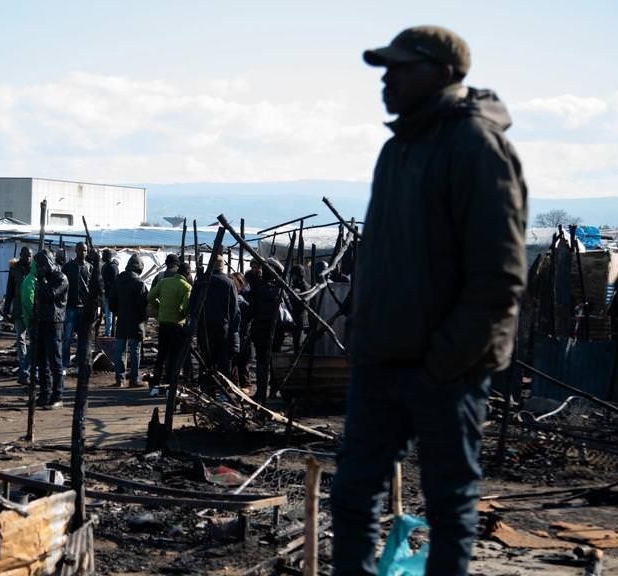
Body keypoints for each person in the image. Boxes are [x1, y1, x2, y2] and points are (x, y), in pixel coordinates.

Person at [329, 26, 528, 576]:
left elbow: (501, 276)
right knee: (352, 497)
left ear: (443, 73)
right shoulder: (397, 149)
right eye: (385, 69)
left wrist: (445, 360)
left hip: (446, 368)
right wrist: (366, 341)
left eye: (401, 68)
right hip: (382, 361)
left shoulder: (476, 146)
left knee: (447, 502)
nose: (387, 80)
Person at [190, 255, 239, 381]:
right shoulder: (229, 283)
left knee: (206, 360)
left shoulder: (202, 282)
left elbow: (192, 305)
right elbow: (234, 311)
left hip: (204, 327)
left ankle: (207, 389)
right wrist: (234, 331)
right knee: (223, 362)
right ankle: (224, 387)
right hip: (223, 328)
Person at [147, 262, 192, 396]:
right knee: (174, 356)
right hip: (177, 324)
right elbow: (186, 307)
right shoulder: (186, 287)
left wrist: (159, 307)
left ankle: (155, 384)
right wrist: (181, 314)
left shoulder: (164, 282)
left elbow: (150, 297)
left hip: (163, 322)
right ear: (188, 274)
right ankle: (169, 385)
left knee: (161, 354)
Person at [32, 250, 68, 409]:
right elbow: (38, 301)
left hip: (54, 322)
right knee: (42, 361)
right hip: (42, 322)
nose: (38, 268)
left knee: (55, 360)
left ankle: (57, 395)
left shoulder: (61, 278)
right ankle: (45, 392)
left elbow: (50, 295)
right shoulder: (43, 279)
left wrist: (42, 282)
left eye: (40, 265)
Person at [247, 258, 285, 403]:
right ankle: (274, 390)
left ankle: (261, 392)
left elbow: (251, 310)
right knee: (274, 360)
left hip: (261, 330)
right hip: (276, 332)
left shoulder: (258, 290)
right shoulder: (281, 290)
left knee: (262, 362)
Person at [109, 254, 148, 387]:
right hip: (136, 321)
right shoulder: (140, 284)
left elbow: (111, 302)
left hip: (122, 319)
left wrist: (118, 313)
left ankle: (119, 379)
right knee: (135, 350)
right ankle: (134, 379)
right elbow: (144, 305)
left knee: (120, 349)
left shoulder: (118, 280)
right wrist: (143, 319)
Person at [2, 247, 33, 385]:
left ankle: (30, 367)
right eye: (26, 255)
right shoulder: (15, 269)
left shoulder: (34, 270)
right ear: (20, 255)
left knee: (33, 340)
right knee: (20, 339)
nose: (28, 258)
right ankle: (24, 367)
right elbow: (10, 290)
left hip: (32, 310)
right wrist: (6, 309)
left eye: (30, 256)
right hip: (19, 309)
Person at [60, 242, 91, 375]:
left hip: (83, 308)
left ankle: (79, 364)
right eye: (80, 250)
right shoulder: (68, 267)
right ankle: (64, 365)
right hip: (70, 307)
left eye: (84, 250)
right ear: (76, 251)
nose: (82, 253)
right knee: (66, 337)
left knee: (82, 339)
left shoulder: (90, 268)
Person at [289, 264, 312, 354]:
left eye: (294, 275)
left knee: (298, 341)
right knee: (295, 341)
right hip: (295, 316)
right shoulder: (295, 285)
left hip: (301, 317)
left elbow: (304, 303)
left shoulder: (304, 286)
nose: (292, 277)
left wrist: (295, 295)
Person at [101, 249, 119, 336]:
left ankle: (108, 333)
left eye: (103, 255)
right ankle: (109, 332)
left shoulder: (112, 267)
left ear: (108, 256)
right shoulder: (107, 266)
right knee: (108, 314)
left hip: (110, 294)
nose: (102, 257)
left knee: (109, 314)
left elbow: (114, 282)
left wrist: (110, 292)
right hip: (107, 293)